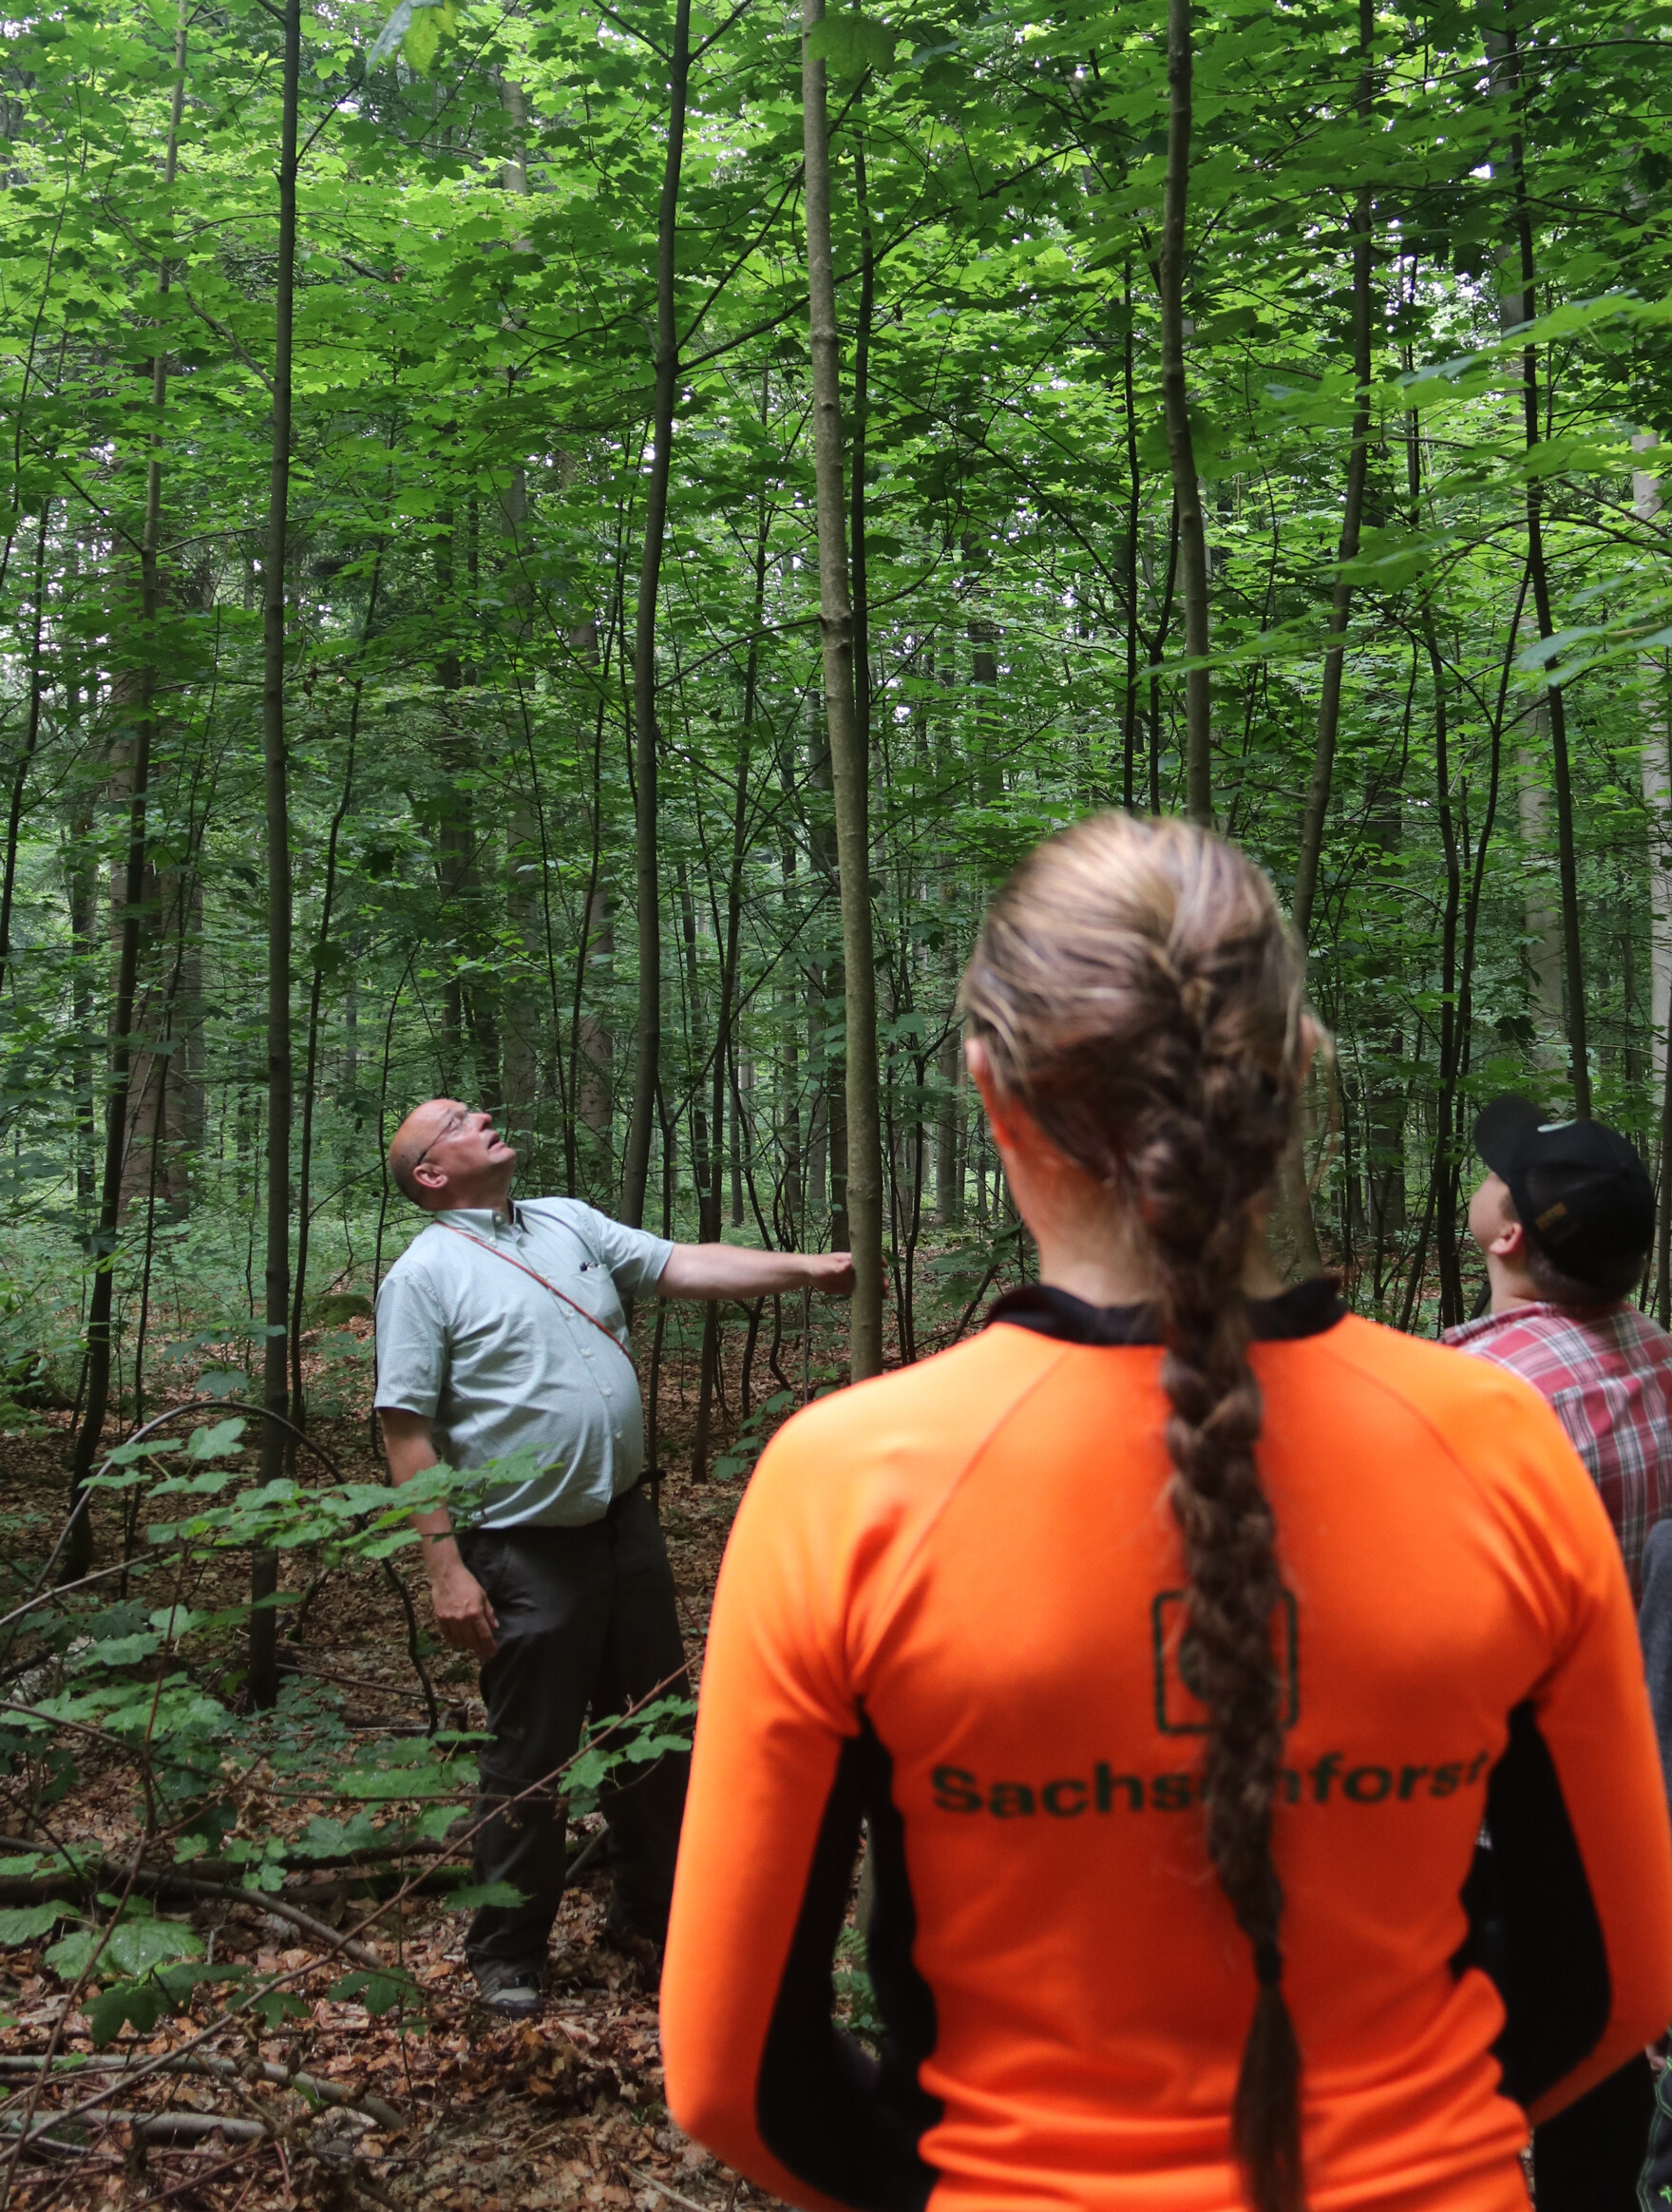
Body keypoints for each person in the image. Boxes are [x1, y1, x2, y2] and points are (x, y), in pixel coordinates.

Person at [659, 815, 1672, 2212]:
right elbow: (1614, 1987)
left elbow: (729, 2075)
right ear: (1298, 1070)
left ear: (989, 1091)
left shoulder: (852, 1480)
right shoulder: (1493, 1444)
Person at [374, 1097, 851, 2019]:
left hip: (623, 1534)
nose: (484, 1117)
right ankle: (507, 1955)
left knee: (657, 1737)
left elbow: (680, 1265)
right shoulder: (424, 1275)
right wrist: (446, 1570)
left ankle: (659, 1918)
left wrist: (804, 1268)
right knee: (532, 1758)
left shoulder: (565, 1222)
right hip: (520, 1553)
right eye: (460, 1120)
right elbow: (406, 1431)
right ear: (430, 1174)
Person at [1445, 1096, 1671, 1600]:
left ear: (1509, 1235)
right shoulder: (1663, 1355)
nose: (1487, 1175)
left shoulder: (1478, 1396)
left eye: (1496, 1176)